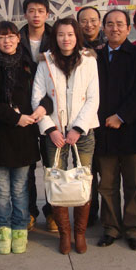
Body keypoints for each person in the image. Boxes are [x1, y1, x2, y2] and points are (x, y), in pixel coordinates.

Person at [0, 21, 50, 254]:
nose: (6, 41)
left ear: (19, 38)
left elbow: (47, 92)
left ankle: (19, 229)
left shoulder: (29, 65)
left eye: (11, 36)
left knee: (20, 188)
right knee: (0, 190)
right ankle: (3, 230)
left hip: (23, 137)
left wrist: (42, 108)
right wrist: (14, 117)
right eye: (1, 37)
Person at [32, 17, 99, 254]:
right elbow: (37, 98)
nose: (65, 39)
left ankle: (80, 234)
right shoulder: (46, 62)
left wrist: (78, 128)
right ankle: (64, 233)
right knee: (55, 180)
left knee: (84, 180)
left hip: (83, 131)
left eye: (70, 34)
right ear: (55, 37)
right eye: (61, 35)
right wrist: (50, 129)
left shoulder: (89, 60)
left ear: (77, 36)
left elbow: (93, 97)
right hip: (55, 133)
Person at [95, 9, 136, 251]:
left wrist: (121, 116)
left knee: (133, 184)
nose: (114, 28)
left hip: (131, 131)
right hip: (103, 132)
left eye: (120, 24)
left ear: (129, 28)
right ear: (104, 28)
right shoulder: (94, 57)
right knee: (107, 184)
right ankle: (111, 227)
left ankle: (132, 228)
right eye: (110, 24)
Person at [19, 0, 56, 232]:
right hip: (25, 111)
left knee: (52, 165)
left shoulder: (56, 38)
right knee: (28, 166)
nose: (36, 15)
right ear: (25, 14)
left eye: (40, 11)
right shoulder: (16, 38)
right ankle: (30, 211)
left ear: (47, 14)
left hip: (50, 109)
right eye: (31, 11)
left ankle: (52, 212)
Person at [76, 5, 105, 226]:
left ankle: (111, 216)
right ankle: (89, 213)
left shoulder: (110, 46)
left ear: (100, 22)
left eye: (93, 20)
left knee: (108, 171)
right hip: (83, 121)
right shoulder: (73, 48)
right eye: (84, 21)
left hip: (108, 119)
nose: (89, 24)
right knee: (87, 170)